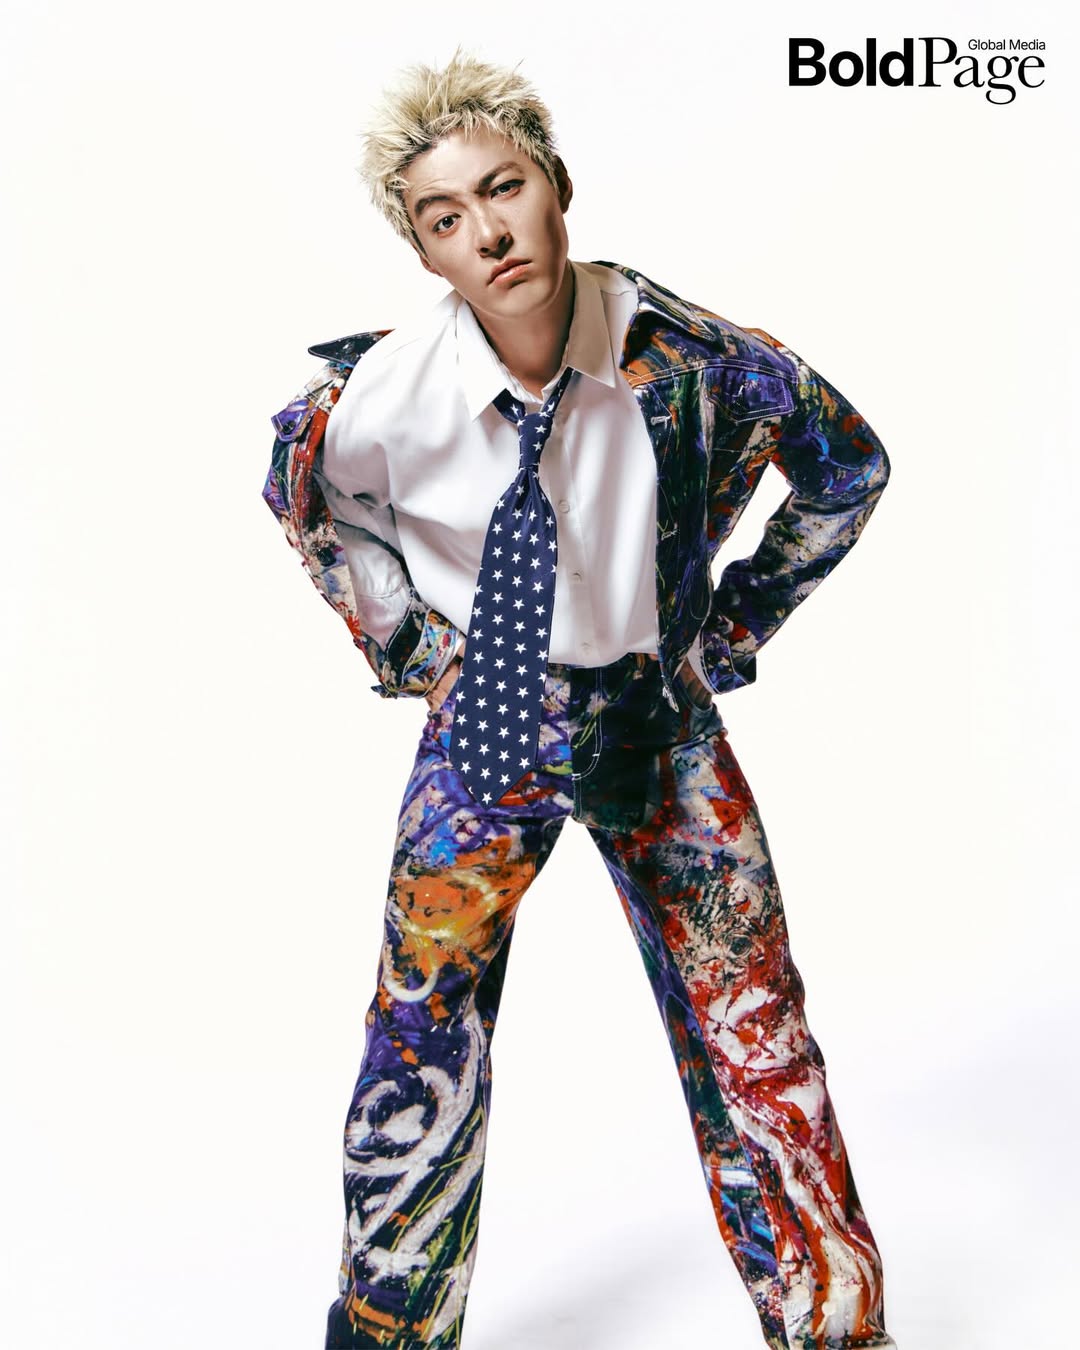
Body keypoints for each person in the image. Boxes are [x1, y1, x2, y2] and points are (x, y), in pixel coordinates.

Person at [262, 49, 896, 1350]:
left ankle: (831, 1329)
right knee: (421, 1036)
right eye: (447, 217)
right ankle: (390, 1331)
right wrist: (410, 646)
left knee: (755, 1030)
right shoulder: (385, 395)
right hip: (493, 703)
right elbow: (305, 492)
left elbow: (849, 465)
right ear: (425, 251)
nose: (488, 232)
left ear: (556, 186)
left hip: (656, 714)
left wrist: (736, 624)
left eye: (505, 190)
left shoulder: (699, 359)